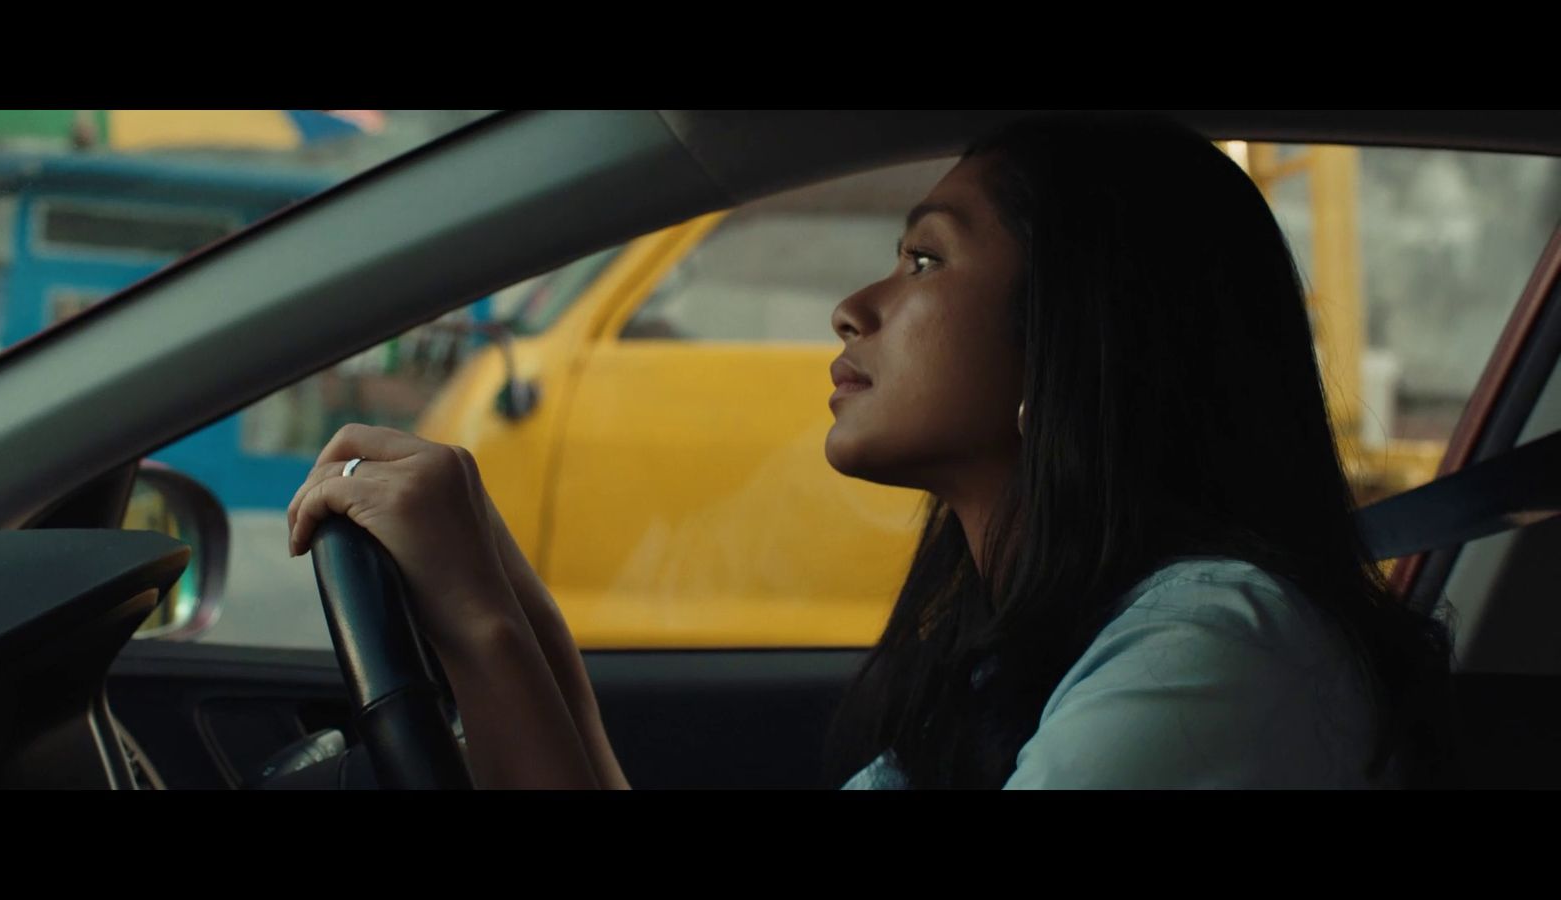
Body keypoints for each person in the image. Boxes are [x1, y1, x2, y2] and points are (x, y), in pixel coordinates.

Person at [285, 112, 1456, 789]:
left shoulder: (1219, 649)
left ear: (1078, 337)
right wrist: (499, 598)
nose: (855, 305)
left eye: (927, 262)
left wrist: (485, 632)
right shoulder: (1021, 660)